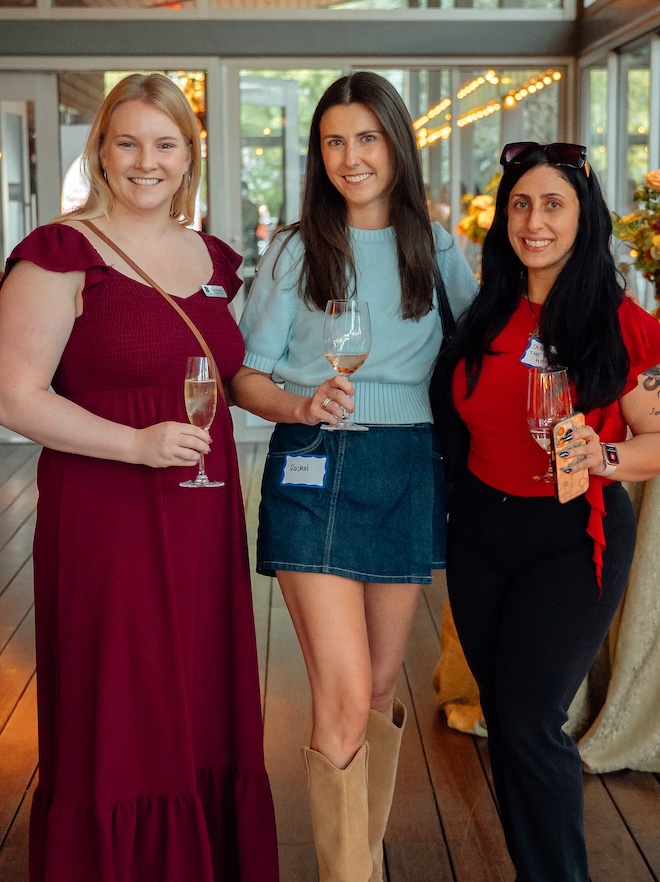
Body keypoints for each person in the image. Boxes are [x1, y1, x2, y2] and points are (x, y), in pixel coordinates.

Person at [0, 73, 278, 882]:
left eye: (164, 144)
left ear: (189, 157)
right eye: (127, 142)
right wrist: (134, 446)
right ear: (101, 152)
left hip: (202, 512)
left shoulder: (214, 256)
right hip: (108, 513)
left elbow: (231, 379)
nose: (145, 161)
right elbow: (14, 395)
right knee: (124, 704)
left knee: (198, 695)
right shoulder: (59, 254)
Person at [229, 71, 477, 882]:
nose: (350, 157)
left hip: (408, 464)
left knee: (374, 689)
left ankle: (359, 862)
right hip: (315, 460)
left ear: (397, 144)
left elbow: (484, 352)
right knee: (339, 695)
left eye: (366, 137)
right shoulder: (298, 248)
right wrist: (301, 407)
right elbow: (246, 377)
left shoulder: (438, 249)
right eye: (334, 141)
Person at [444, 141, 660, 882]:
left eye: (553, 204)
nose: (534, 221)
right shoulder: (486, 312)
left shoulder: (619, 322)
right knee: (505, 719)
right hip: (478, 534)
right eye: (520, 204)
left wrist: (601, 457)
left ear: (584, 217)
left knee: (532, 719)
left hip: (573, 536)